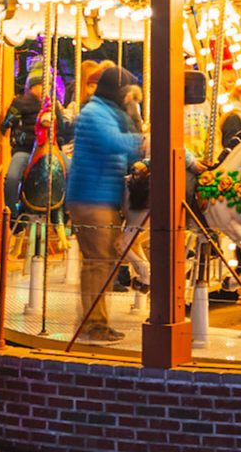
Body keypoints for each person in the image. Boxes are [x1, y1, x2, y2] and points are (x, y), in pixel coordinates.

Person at [67, 65, 146, 342]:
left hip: (104, 197)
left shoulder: (112, 113)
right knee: (98, 263)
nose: (129, 99)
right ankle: (92, 325)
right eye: (127, 94)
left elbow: (127, 149)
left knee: (104, 262)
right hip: (91, 198)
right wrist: (144, 140)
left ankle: (97, 322)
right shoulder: (94, 113)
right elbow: (112, 143)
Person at [0, 65, 71, 215]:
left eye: (45, 86)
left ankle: (66, 208)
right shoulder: (20, 103)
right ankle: (12, 213)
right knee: (12, 177)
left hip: (51, 149)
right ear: (31, 87)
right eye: (37, 86)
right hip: (27, 149)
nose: (41, 89)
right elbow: (7, 123)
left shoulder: (53, 105)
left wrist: (68, 118)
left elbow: (61, 127)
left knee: (71, 170)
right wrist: (8, 121)